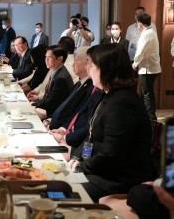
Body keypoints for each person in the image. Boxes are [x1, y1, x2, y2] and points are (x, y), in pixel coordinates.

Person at [69, 43, 156, 203]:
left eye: (91, 64)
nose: (88, 68)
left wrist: (82, 168)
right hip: (103, 171)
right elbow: (91, 136)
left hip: (119, 179)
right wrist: (77, 158)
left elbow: (111, 155)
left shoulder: (122, 103)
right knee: (58, 180)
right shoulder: (108, 94)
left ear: (104, 69)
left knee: (63, 191)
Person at [48, 47, 102, 156]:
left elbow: (104, 146)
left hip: (94, 164)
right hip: (80, 150)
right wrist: (64, 131)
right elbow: (79, 116)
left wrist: (74, 155)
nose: (88, 68)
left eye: (91, 65)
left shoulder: (117, 102)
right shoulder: (98, 91)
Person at [29, 45, 74, 119]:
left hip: (55, 114)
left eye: (49, 58)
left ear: (60, 59)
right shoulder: (57, 71)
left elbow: (50, 103)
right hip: (50, 109)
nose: (46, 60)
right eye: (45, 57)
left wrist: (33, 104)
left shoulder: (61, 78)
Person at [132, 13, 161, 121]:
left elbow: (140, 51)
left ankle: (150, 117)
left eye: (137, 23)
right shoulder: (151, 31)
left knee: (146, 93)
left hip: (147, 69)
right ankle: (150, 115)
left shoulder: (146, 34)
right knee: (148, 92)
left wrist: (135, 64)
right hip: (150, 67)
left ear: (140, 24)